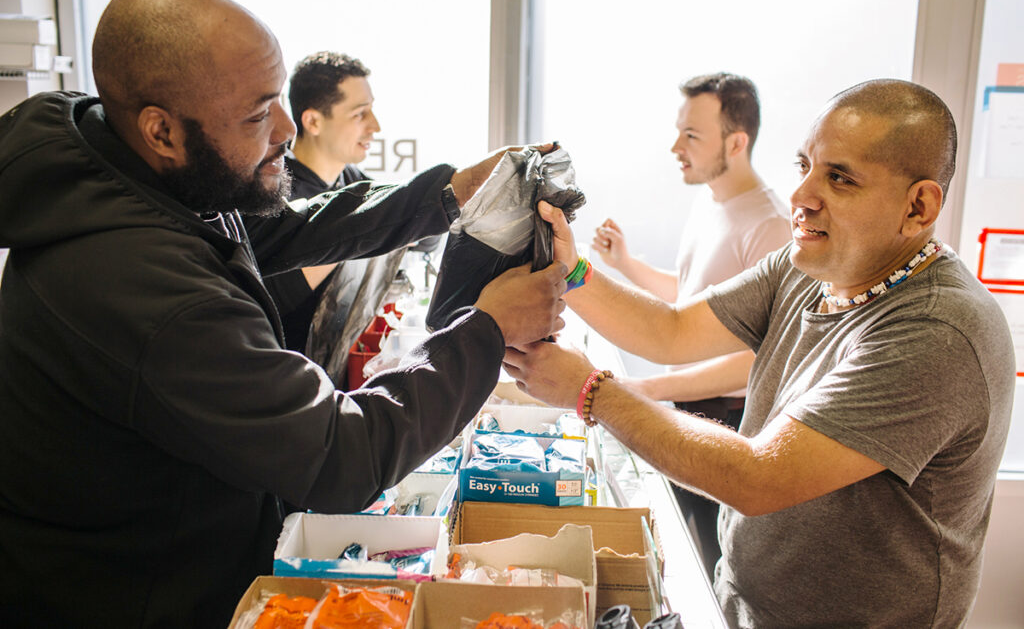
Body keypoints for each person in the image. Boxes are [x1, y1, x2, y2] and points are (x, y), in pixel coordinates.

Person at [0, 0, 567, 627]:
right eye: (256, 112)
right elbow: (338, 455)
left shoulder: (125, 170)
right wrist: (489, 330)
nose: (286, 127)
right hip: (128, 595)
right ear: (161, 130)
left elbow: (280, 227)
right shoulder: (147, 294)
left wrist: (445, 195)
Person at [504, 79, 1015, 627]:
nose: (802, 197)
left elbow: (757, 478)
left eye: (839, 179)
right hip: (744, 600)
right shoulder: (806, 268)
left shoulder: (936, 329)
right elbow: (671, 329)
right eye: (805, 167)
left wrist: (591, 392)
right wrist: (571, 269)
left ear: (919, 205)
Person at [590, 73, 790, 575]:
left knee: (714, 565)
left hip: (729, 421)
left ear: (737, 142)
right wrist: (628, 264)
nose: (676, 147)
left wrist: (651, 389)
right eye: (680, 132)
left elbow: (753, 361)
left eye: (692, 136)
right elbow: (696, 303)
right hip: (689, 404)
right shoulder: (713, 200)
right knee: (685, 554)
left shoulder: (771, 227)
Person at [259, 50, 381, 355]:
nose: (375, 126)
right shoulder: (273, 191)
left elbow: (422, 238)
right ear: (313, 121)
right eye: (359, 114)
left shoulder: (352, 179)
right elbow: (268, 298)